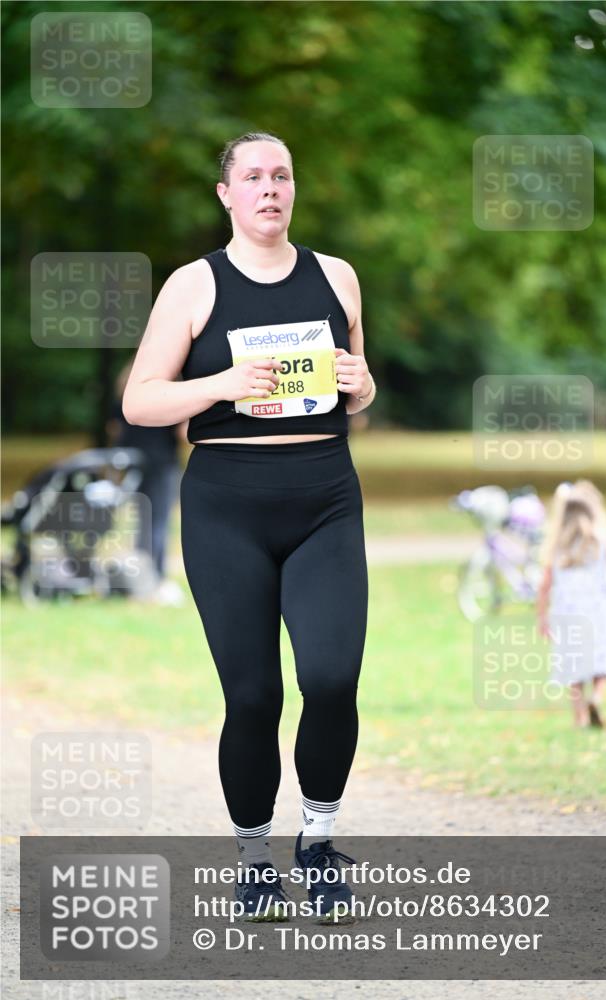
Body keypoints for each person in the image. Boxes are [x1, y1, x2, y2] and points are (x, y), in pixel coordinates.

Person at [122, 132, 375, 921]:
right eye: (254, 177)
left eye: (282, 176)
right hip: (227, 503)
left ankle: (320, 841)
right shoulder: (193, 286)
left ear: (294, 190)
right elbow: (140, 401)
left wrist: (362, 385)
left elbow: (356, 396)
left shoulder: (336, 277)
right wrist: (222, 381)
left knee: (331, 680)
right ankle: (254, 858)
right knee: (254, 696)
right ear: (226, 194)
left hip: (325, 496)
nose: (271, 189)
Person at [537, 480, 606, 728]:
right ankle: (598, 696)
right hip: (599, 610)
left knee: (575, 663)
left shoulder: (558, 543)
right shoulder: (603, 537)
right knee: (601, 657)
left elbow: (544, 583)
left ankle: (579, 715)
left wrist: (542, 616)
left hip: (567, 612)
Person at [108, 360, 187, 606]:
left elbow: (113, 430)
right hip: (161, 462)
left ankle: (141, 571)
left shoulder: (126, 397)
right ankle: (155, 577)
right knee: (159, 521)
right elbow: (183, 433)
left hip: (131, 462)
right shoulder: (169, 398)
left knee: (142, 520)